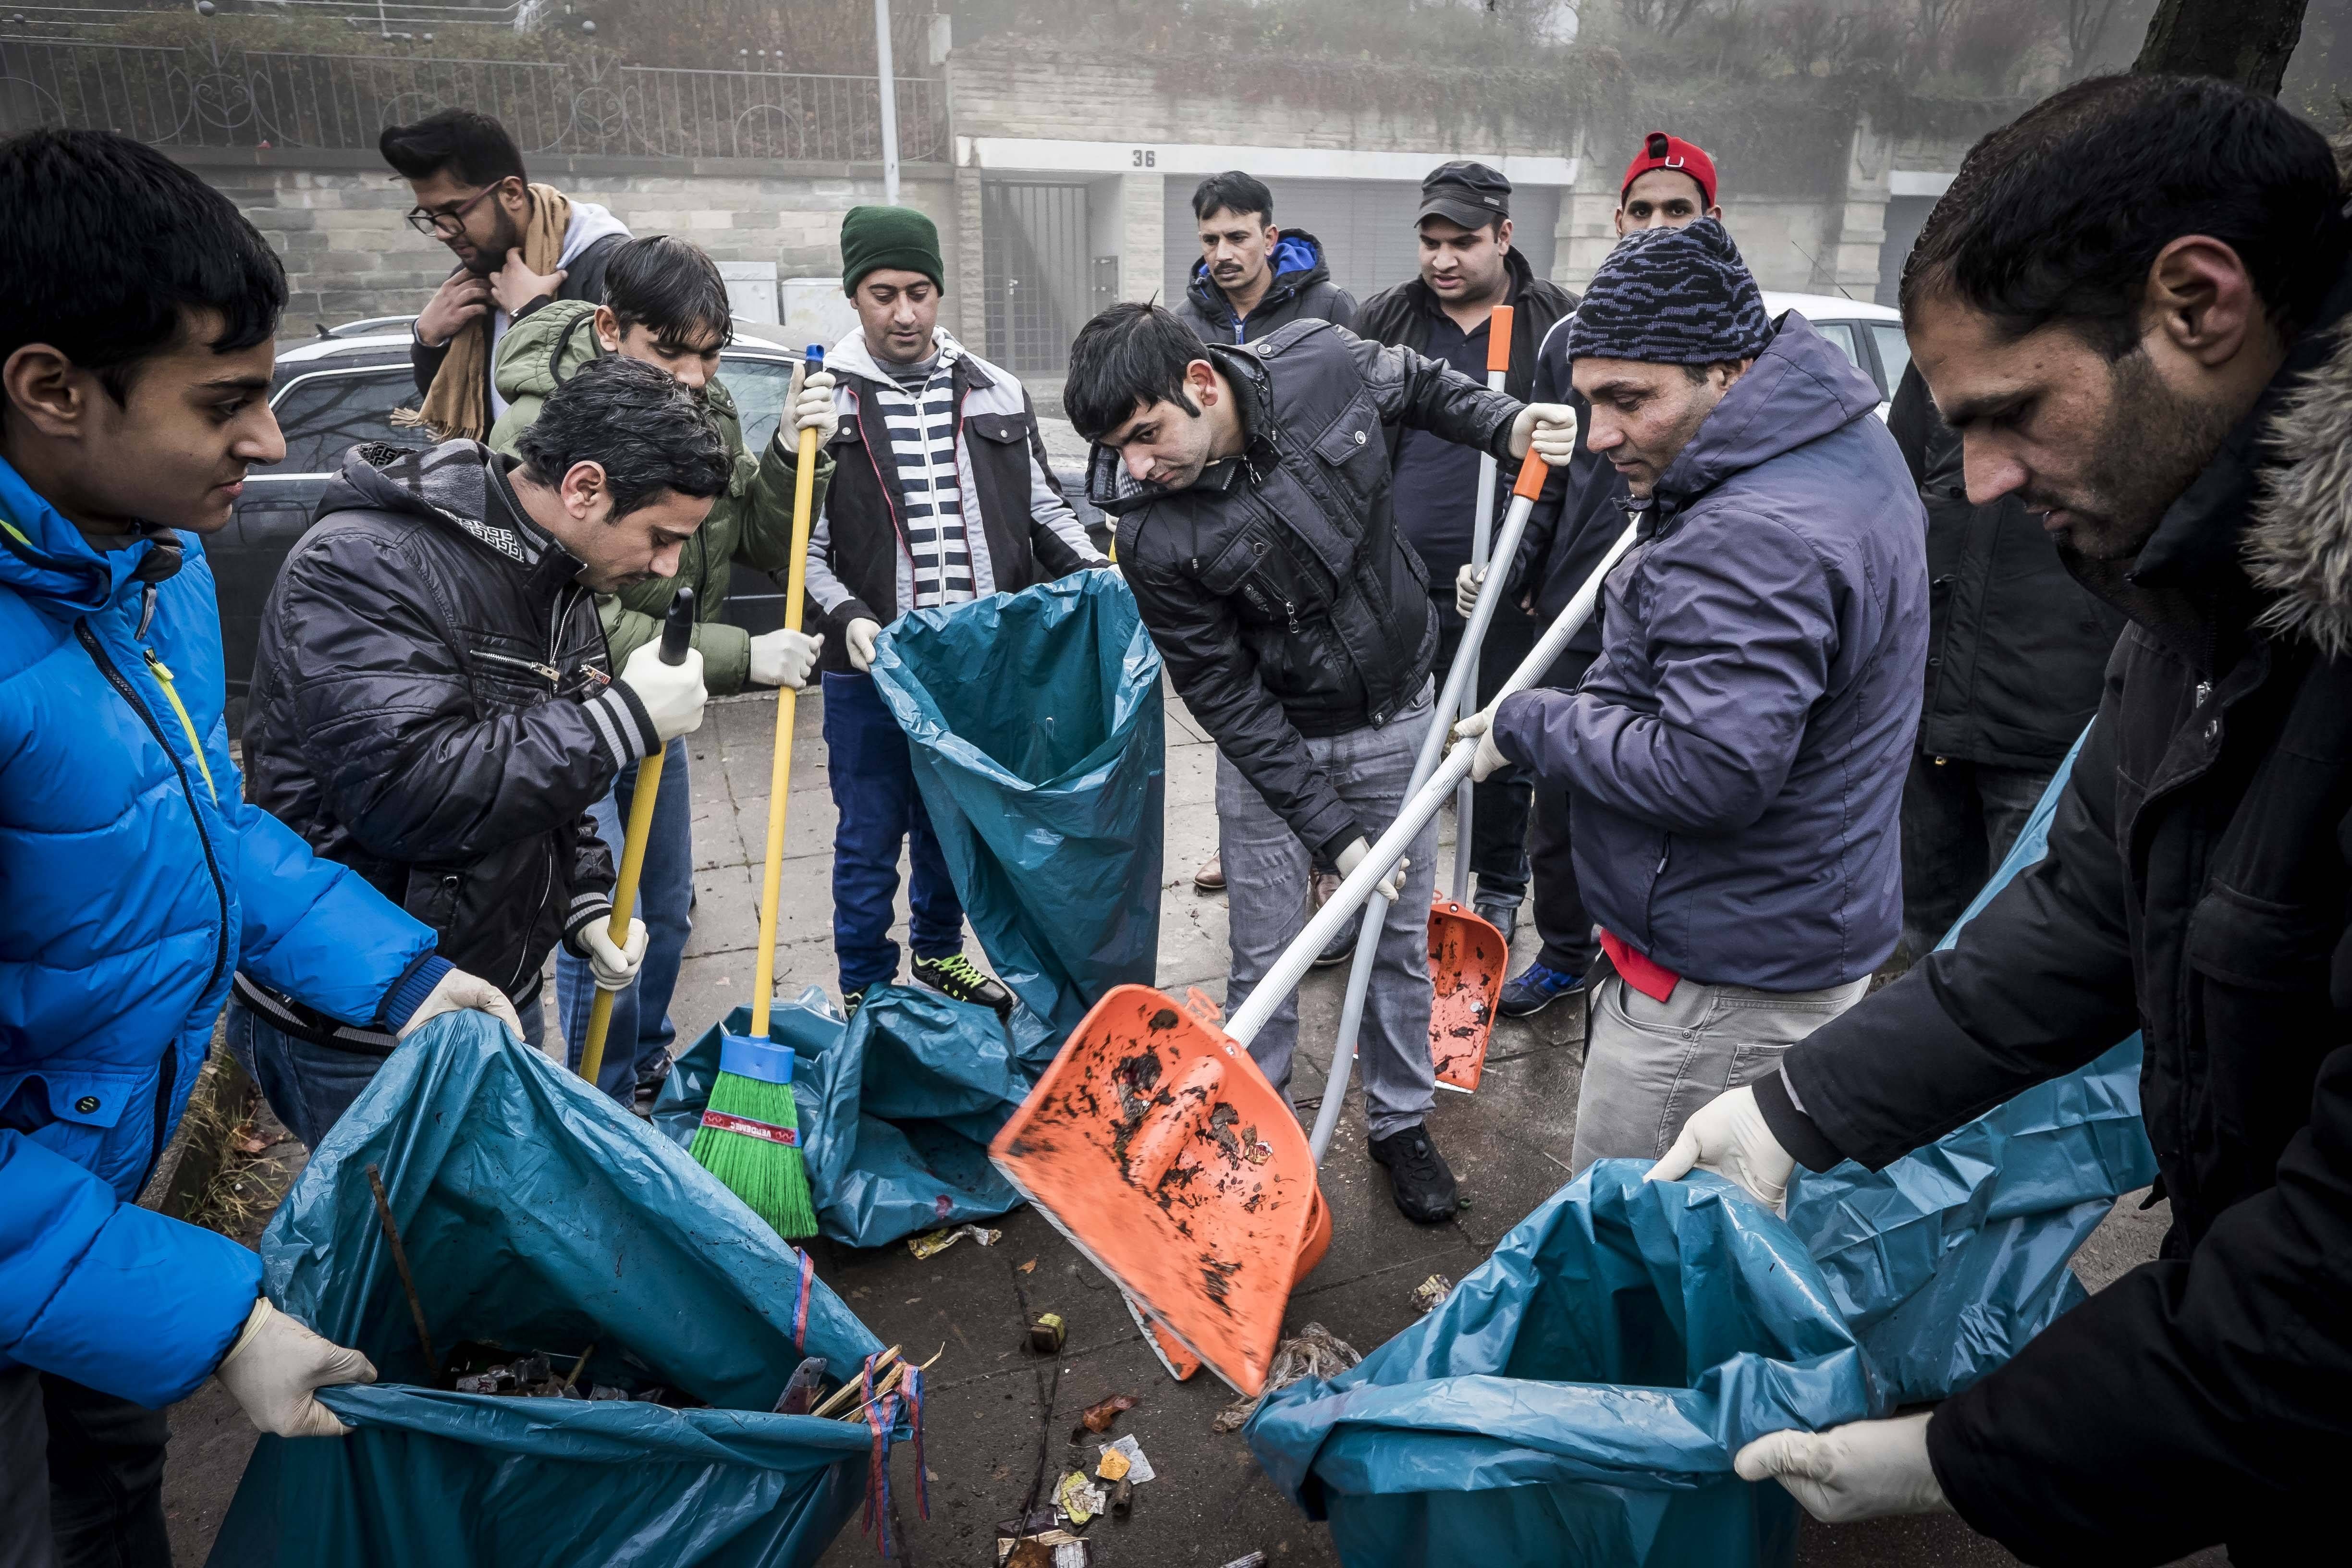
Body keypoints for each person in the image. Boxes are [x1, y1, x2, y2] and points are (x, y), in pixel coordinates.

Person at [1649, 76, 2352, 1565]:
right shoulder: (2191, 595)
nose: (1973, 480)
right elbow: (2078, 919)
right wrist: (1797, 1107)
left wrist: (1962, 1454)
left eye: (2012, 414)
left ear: (2198, 302)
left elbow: (2330, 1282)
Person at [0, 128, 515, 1568]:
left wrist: (397, 971)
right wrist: (211, 1311)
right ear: (49, 388)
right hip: (43, 1231)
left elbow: (203, 827)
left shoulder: (145, 567)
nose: (273, 443)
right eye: (223, 403)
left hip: (98, 1197)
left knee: (112, 1487)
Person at [1066, 301, 1577, 1222]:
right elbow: (1222, 695)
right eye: (1118, 446)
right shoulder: (1149, 531)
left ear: (1200, 383)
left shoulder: (1321, 362)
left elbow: (1419, 384)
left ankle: (1399, 1123)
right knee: (1267, 958)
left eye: (1146, 434)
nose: (1136, 465)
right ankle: (1251, 1154)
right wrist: (1333, 836)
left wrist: (1506, 424)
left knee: (1399, 943)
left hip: (1400, 713)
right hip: (1278, 744)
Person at [1457, 218, 1926, 1172]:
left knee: (1636, 1249)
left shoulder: (1756, 531)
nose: (1601, 436)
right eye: (1589, 401)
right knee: (1717, 1251)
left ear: (1732, 370)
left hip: (1720, 978)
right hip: (1794, 919)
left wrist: (1533, 720)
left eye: (1631, 400)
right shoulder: (1839, 448)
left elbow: (1711, 772)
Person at [235, 355, 726, 1146]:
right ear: (585, 487)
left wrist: (586, 899)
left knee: (486, 1240)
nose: (667, 565)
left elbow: (545, 783)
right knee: (414, 1259)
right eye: (661, 537)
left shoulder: (559, 574)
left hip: (486, 986)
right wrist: (622, 719)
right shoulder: (365, 564)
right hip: (366, 1018)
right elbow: (409, 793)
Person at [487, 234, 837, 1106]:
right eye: (669, 351)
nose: (691, 375)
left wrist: (796, 452)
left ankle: (643, 1064)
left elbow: (758, 537)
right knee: (604, 918)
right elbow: (577, 605)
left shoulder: (706, 407)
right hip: (569, 711)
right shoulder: (546, 422)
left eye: (709, 354)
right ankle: (594, 1096)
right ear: (610, 327)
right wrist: (738, 655)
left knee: (668, 909)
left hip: (659, 707)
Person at [808, 205, 1107, 1015]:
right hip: (870, 668)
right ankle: (865, 980)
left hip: (977, 671)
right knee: (869, 836)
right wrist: (847, 620)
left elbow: (1045, 509)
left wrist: (1095, 572)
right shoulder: (825, 404)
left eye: (919, 291)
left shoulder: (995, 388)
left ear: (939, 292)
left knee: (956, 827)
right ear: (854, 296)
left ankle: (940, 953)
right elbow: (798, 549)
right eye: (882, 294)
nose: (904, 313)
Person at [1477, 129, 1724, 1020]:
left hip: (1683, 606)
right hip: (1579, 608)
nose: (1658, 225)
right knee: (1561, 801)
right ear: (1618, 220)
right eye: (1643, 210)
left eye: (1679, 210)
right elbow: (1545, 477)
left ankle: (1645, 956)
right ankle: (1566, 950)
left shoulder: (1733, 338)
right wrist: (1514, 575)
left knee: (1658, 787)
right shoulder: (1574, 340)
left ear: (1710, 221)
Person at [1356, 160, 1579, 950]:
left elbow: (1577, 459)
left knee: (1500, 738)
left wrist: (1531, 574)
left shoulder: (1556, 321)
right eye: (1431, 241)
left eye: (1463, 242)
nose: (1444, 258)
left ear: (1505, 236)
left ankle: (1496, 890)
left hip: (1506, 576)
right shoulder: (1385, 319)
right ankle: (1382, 885)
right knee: (1395, 740)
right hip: (1402, 581)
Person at [1887, 359, 2126, 958]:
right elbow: (1895, 489)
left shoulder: (2111, 342)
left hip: (2050, 717)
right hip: (1927, 704)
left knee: (2024, 941)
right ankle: (1913, 1048)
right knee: (1919, 925)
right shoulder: (1947, 349)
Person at [1174, 171, 1360, 897]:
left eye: (1237, 237)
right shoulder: (1186, 324)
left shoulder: (1330, 308)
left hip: (1315, 525)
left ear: (1269, 238)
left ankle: (1325, 857)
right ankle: (1241, 842)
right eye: (1210, 240)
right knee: (1241, 699)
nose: (1223, 253)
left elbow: (1365, 403)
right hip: (1229, 535)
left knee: (1321, 698)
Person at [382, 109, 634, 441]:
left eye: (451, 213)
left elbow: (628, 404)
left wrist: (531, 314)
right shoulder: (478, 271)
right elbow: (460, 406)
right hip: (503, 486)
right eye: (430, 217)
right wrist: (430, 339)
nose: (443, 232)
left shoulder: (611, 267)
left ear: (512, 193)